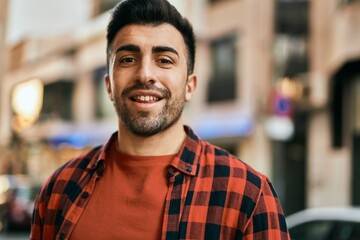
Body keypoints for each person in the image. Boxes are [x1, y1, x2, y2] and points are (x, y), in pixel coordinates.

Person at [30, 0, 290, 239]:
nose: (145, 74)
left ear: (190, 86)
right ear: (109, 85)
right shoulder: (59, 189)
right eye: (128, 59)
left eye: (164, 60)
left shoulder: (248, 195)